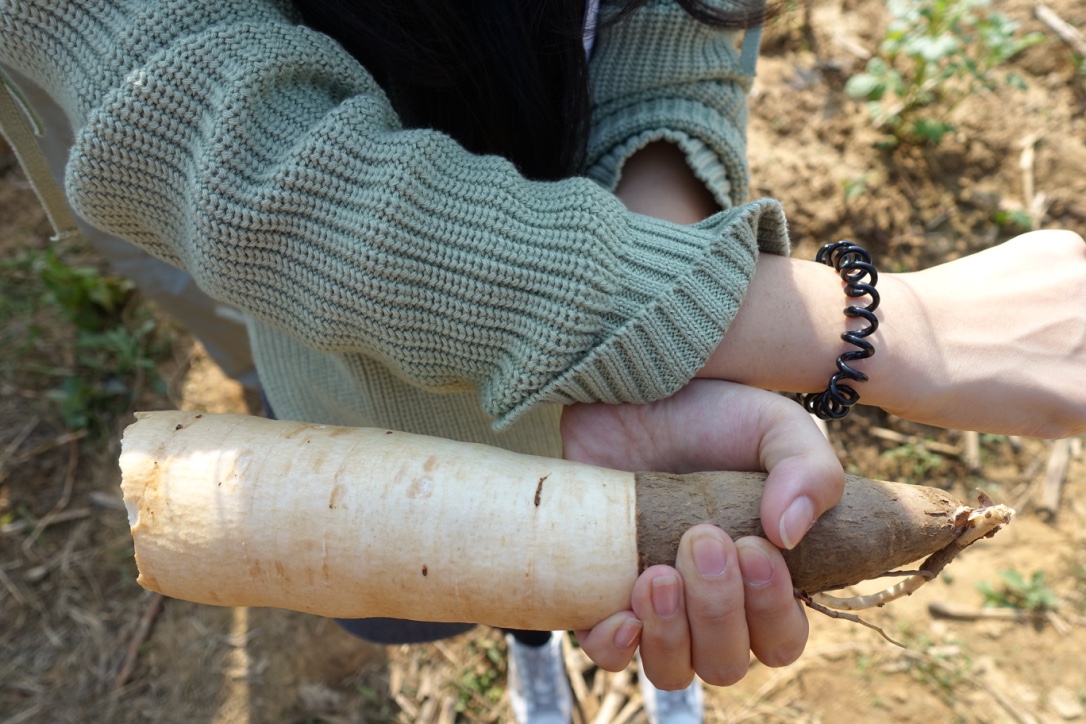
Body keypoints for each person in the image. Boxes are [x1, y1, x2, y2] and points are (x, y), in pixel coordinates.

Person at [1, 1, 1083, 722]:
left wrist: (651, 313)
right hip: (208, 234)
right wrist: (871, 327)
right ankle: (526, 627)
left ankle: (538, 592)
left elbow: (675, 26)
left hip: (575, 202)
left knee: (558, 524)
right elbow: (240, 163)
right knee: (313, 438)